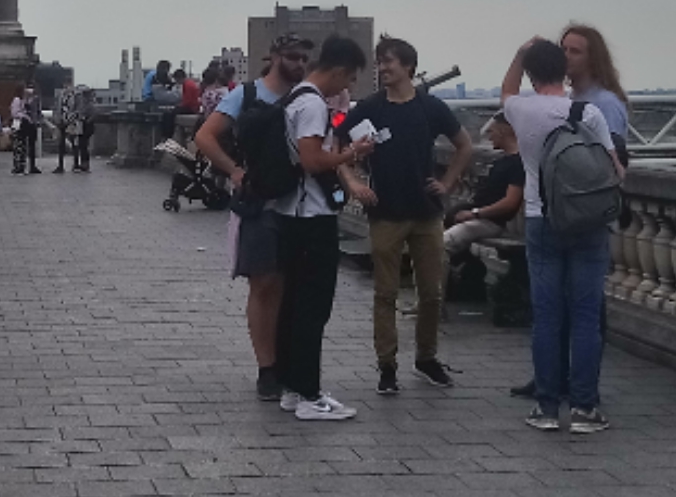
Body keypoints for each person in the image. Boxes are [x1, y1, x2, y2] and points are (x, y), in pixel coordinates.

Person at [339, 35, 472, 395]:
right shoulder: (370, 108)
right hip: (385, 213)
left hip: (427, 213)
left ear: (409, 67)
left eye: (389, 62)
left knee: (431, 292)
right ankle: (387, 365)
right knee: (386, 293)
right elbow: (336, 146)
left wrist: (447, 182)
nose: (382, 69)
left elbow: (465, 145)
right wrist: (352, 181)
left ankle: (427, 358)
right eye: (380, 62)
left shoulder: (431, 108)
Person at [501, 36, 621, 435]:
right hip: (587, 223)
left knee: (547, 317)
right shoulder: (587, 112)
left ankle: (547, 407)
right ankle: (585, 408)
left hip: (541, 218)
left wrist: (520, 54)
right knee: (586, 316)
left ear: (532, 73)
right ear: (564, 71)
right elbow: (613, 171)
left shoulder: (520, 110)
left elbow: (506, 90)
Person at [194, 34, 313, 400]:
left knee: (293, 286)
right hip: (260, 203)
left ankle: (287, 360)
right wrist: (234, 171)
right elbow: (205, 136)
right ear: (275, 56)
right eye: (293, 57)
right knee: (264, 284)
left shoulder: (308, 97)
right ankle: (267, 366)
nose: (299, 65)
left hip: (301, 203)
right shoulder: (245, 96)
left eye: (305, 59)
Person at [269, 36, 376, 421]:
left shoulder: (294, 97)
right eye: (347, 79)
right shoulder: (313, 103)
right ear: (338, 70)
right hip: (311, 218)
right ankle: (310, 396)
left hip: (288, 214)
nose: (345, 88)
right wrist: (353, 154)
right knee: (313, 309)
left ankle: (293, 388)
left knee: (293, 306)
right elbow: (314, 160)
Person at [444, 111, 525, 256]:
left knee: (443, 244)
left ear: (503, 130)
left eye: (491, 131)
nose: (490, 137)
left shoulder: (517, 163)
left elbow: (510, 202)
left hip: (489, 221)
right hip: (479, 216)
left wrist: (475, 213)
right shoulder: (502, 160)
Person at [559, 23, 631, 166]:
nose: (566, 56)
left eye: (575, 52)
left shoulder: (606, 103)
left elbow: (611, 158)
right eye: (563, 49)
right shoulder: (569, 98)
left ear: (592, 59)